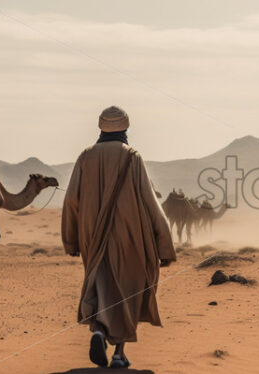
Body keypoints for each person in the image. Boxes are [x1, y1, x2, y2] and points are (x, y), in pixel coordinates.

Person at [62, 106, 176, 368]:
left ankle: (100, 332)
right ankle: (118, 354)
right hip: (130, 236)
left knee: (101, 285)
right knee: (129, 290)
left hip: (92, 236)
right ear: (125, 128)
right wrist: (164, 245)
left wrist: (71, 239)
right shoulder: (132, 158)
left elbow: (71, 200)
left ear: (100, 128)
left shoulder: (85, 158)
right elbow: (150, 202)